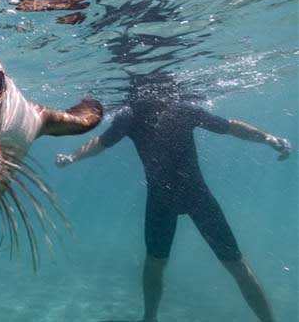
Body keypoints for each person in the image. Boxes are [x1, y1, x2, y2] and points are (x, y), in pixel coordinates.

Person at [55, 97, 291, 322]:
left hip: (187, 197)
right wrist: (73, 157)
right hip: (170, 200)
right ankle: (150, 317)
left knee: (234, 264)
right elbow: (101, 142)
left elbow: (229, 126)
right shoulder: (131, 115)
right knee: (158, 263)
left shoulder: (178, 110)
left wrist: (268, 137)